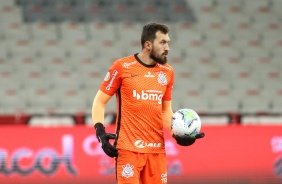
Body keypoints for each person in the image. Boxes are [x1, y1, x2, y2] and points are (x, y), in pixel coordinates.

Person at [92, 22, 205, 184]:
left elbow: (166, 112)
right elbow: (99, 102)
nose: (168, 48)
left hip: (156, 151)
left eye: (168, 43)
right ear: (148, 45)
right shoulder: (122, 67)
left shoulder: (167, 72)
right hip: (128, 150)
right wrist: (100, 132)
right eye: (163, 42)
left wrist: (178, 135)